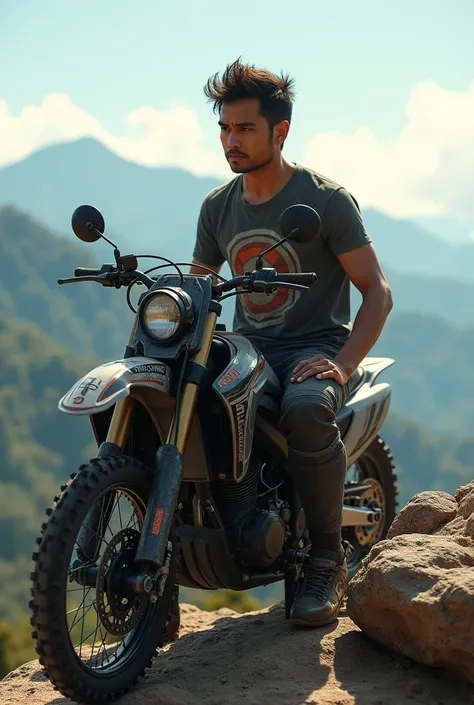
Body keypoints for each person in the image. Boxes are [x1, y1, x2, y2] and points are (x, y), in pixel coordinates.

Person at [189, 58, 393, 627]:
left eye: (245, 129)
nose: (231, 141)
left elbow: (377, 292)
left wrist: (341, 363)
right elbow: (201, 285)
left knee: (305, 410)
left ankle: (326, 559)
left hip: (314, 346)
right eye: (225, 129)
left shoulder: (326, 200)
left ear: (280, 132)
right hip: (249, 347)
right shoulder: (217, 206)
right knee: (189, 396)